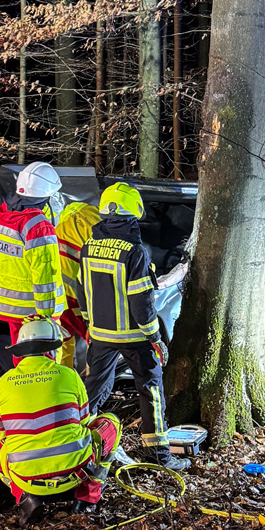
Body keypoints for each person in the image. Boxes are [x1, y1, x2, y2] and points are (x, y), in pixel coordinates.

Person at [79, 182, 188, 471]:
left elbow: (82, 289)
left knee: (92, 389)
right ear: (133, 212)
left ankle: (77, 443)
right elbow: (141, 301)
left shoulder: (88, 245)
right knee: (150, 389)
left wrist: (90, 323)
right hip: (134, 336)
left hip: (100, 334)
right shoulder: (135, 251)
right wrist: (154, 337)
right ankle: (159, 455)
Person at [0, 318, 119, 523]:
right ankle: (87, 499)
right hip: (76, 470)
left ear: (21, 351)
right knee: (111, 424)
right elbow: (84, 420)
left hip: (26, 476)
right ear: (51, 349)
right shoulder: (69, 375)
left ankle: (25, 497)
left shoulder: (1, 384)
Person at [0, 162, 67, 366]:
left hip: (13, 306)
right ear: (46, 196)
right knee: (46, 364)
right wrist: (47, 314)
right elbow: (45, 274)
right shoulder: (38, 226)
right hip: (36, 310)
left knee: (21, 361)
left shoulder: (4, 217)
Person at [55, 201, 102, 368]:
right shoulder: (101, 228)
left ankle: (62, 381)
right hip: (74, 295)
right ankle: (92, 386)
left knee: (63, 340)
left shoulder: (72, 211)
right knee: (95, 341)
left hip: (54, 292)